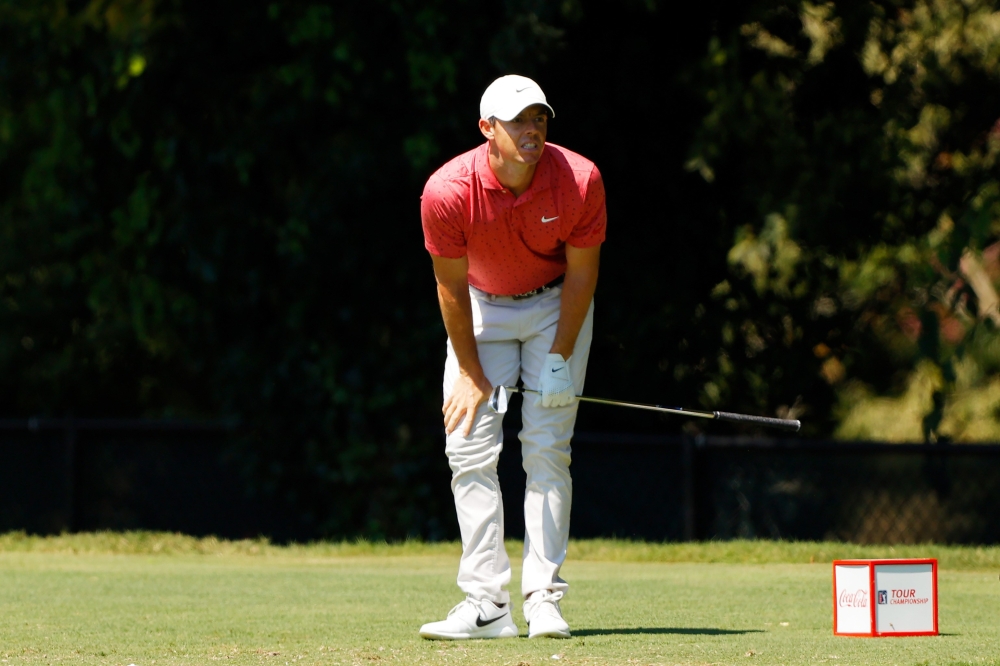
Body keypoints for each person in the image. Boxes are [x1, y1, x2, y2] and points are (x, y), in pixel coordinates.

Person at [418, 74, 606, 640]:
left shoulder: (578, 178)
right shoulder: (448, 190)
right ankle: (486, 603)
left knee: (547, 448)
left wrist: (560, 357)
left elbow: (582, 276)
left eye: (540, 118)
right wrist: (472, 374)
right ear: (487, 129)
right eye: (518, 120)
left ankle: (543, 599)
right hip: (481, 307)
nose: (532, 130)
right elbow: (450, 289)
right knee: (468, 447)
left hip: (555, 306)